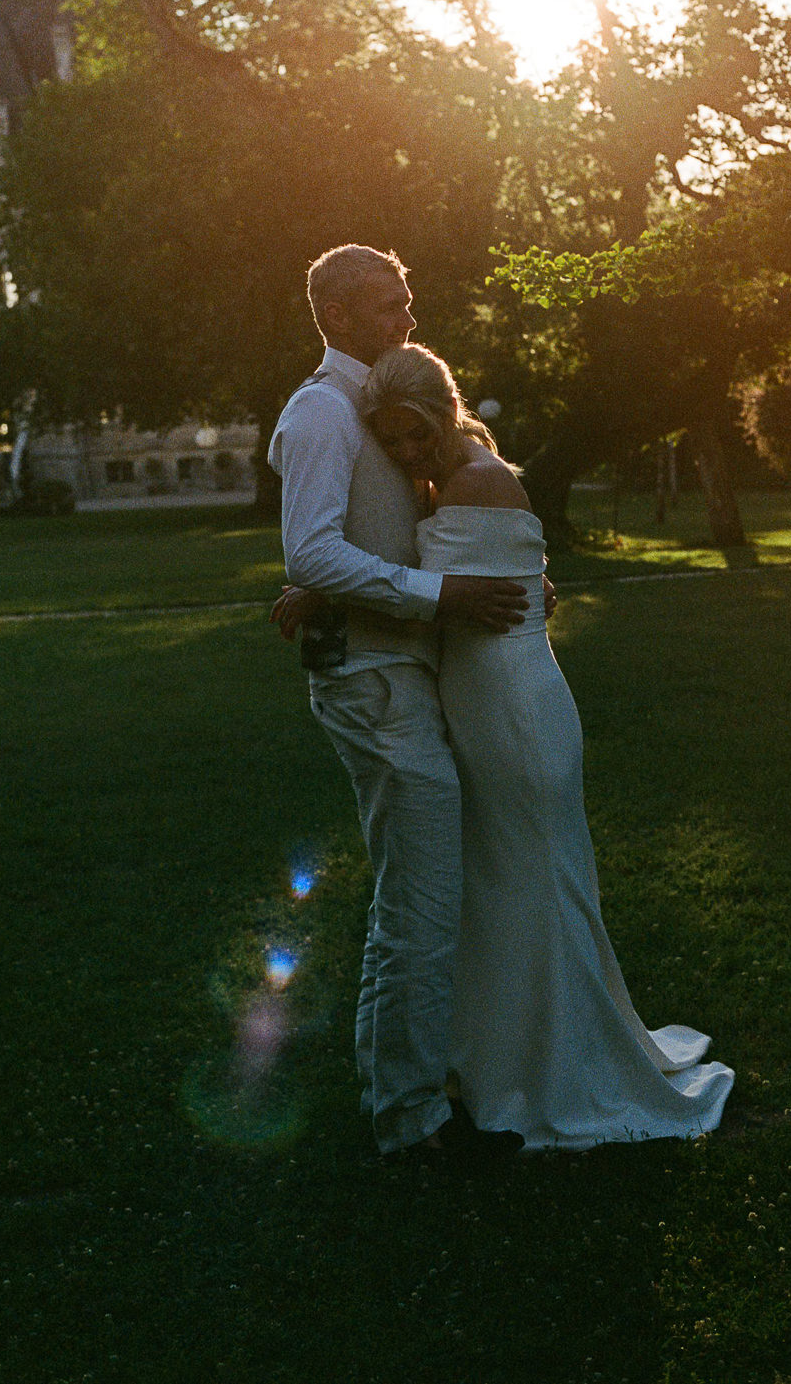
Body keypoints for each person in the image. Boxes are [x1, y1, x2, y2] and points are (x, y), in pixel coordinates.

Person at [359, 342, 735, 1150]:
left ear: (444, 410)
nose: (402, 452)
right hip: (493, 703)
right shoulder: (456, 477)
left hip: (513, 713)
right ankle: (513, 1050)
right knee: (507, 879)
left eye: (414, 432)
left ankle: (559, 1062)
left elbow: (438, 600)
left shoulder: (470, 481)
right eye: (389, 439)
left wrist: (319, 592)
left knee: (529, 879)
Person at [267, 244, 529, 1160]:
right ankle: (412, 1118)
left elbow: (350, 551)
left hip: (398, 672)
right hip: (368, 681)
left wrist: (343, 585)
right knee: (418, 900)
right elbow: (311, 552)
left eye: (409, 300)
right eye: (388, 305)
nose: (408, 318)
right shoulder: (319, 412)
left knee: (416, 895)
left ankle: (407, 1094)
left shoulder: (376, 408)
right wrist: (439, 596)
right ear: (336, 315)